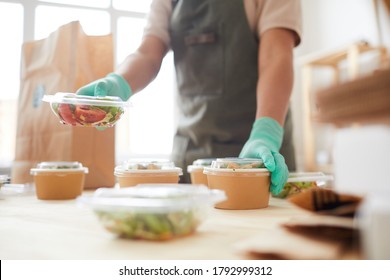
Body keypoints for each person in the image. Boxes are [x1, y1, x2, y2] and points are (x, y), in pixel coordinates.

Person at [77, 0, 302, 196]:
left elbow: (277, 54)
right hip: (191, 157)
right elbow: (148, 53)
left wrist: (266, 133)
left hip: (261, 158)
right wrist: (118, 82)